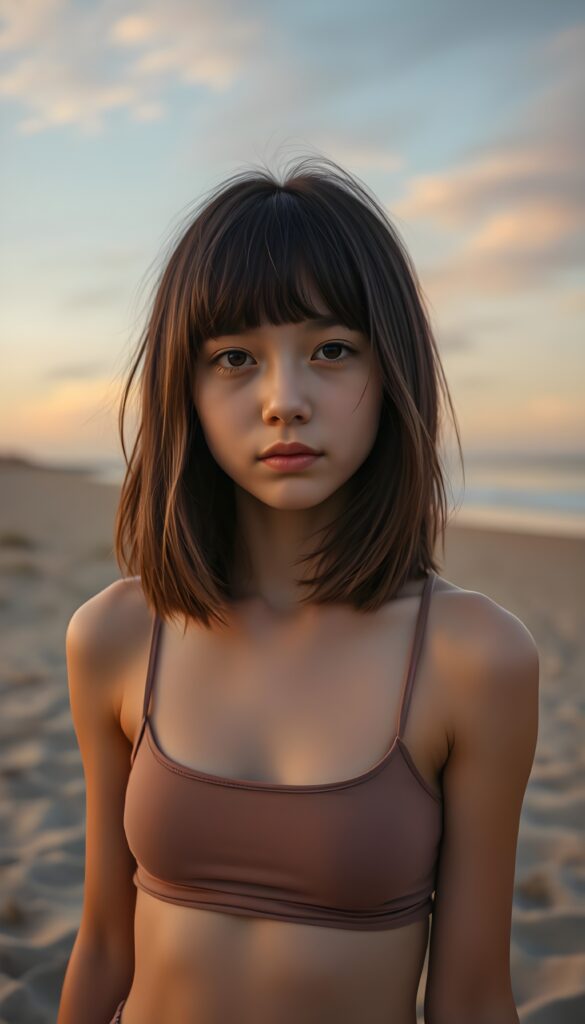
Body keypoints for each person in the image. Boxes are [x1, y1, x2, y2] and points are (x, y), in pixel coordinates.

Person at [57, 155, 539, 1024]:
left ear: (389, 370)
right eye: (234, 356)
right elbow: (102, 946)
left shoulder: (475, 658)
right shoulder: (116, 637)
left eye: (330, 350)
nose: (285, 400)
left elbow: (471, 997)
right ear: (186, 389)